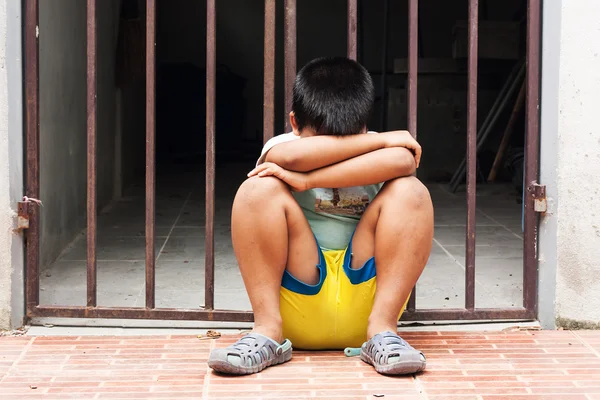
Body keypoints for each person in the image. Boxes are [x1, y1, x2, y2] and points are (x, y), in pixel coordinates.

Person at [208, 57, 434, 376]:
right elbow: (292, 156)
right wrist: (379, 139)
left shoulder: (384, 151)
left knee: (411, 192)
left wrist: (309, 180)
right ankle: (266, 332)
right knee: (255, 190)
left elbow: (403, 161)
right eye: (326, 141)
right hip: (298, 302)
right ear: (294, 125)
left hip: (367, 305)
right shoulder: (285, 146)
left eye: (348, 138)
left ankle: (384, 331)